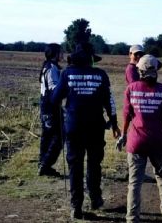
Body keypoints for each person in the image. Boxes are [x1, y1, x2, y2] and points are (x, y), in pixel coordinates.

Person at [51, 43, 121, 220]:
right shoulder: (101, 75)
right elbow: (109, 102)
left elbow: (55, 98)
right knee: (94, 163)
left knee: (75, 165)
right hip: (96, 126)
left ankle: (76, 205)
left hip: (74, 126)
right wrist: (114, 124)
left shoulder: (67, 73)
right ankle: (96, 198)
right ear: (91, 59)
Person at [117, 54, 162, 223]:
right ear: (156, 71)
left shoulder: (131, 89)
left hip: (136, 143)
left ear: (140, 71)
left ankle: (132, 219)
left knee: (134, 183)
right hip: (158, 143)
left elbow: (127, 115)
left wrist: (123, 135)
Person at [38, 43, 63, 177]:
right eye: (61, 52)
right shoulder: (52, 68)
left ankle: (42, 164)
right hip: (51, 107)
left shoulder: (47, 66)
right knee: (59, 137)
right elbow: (54, 89)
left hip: (45, 106)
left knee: (46, 137)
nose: (63, 54)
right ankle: (45, 164)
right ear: (55, 54)